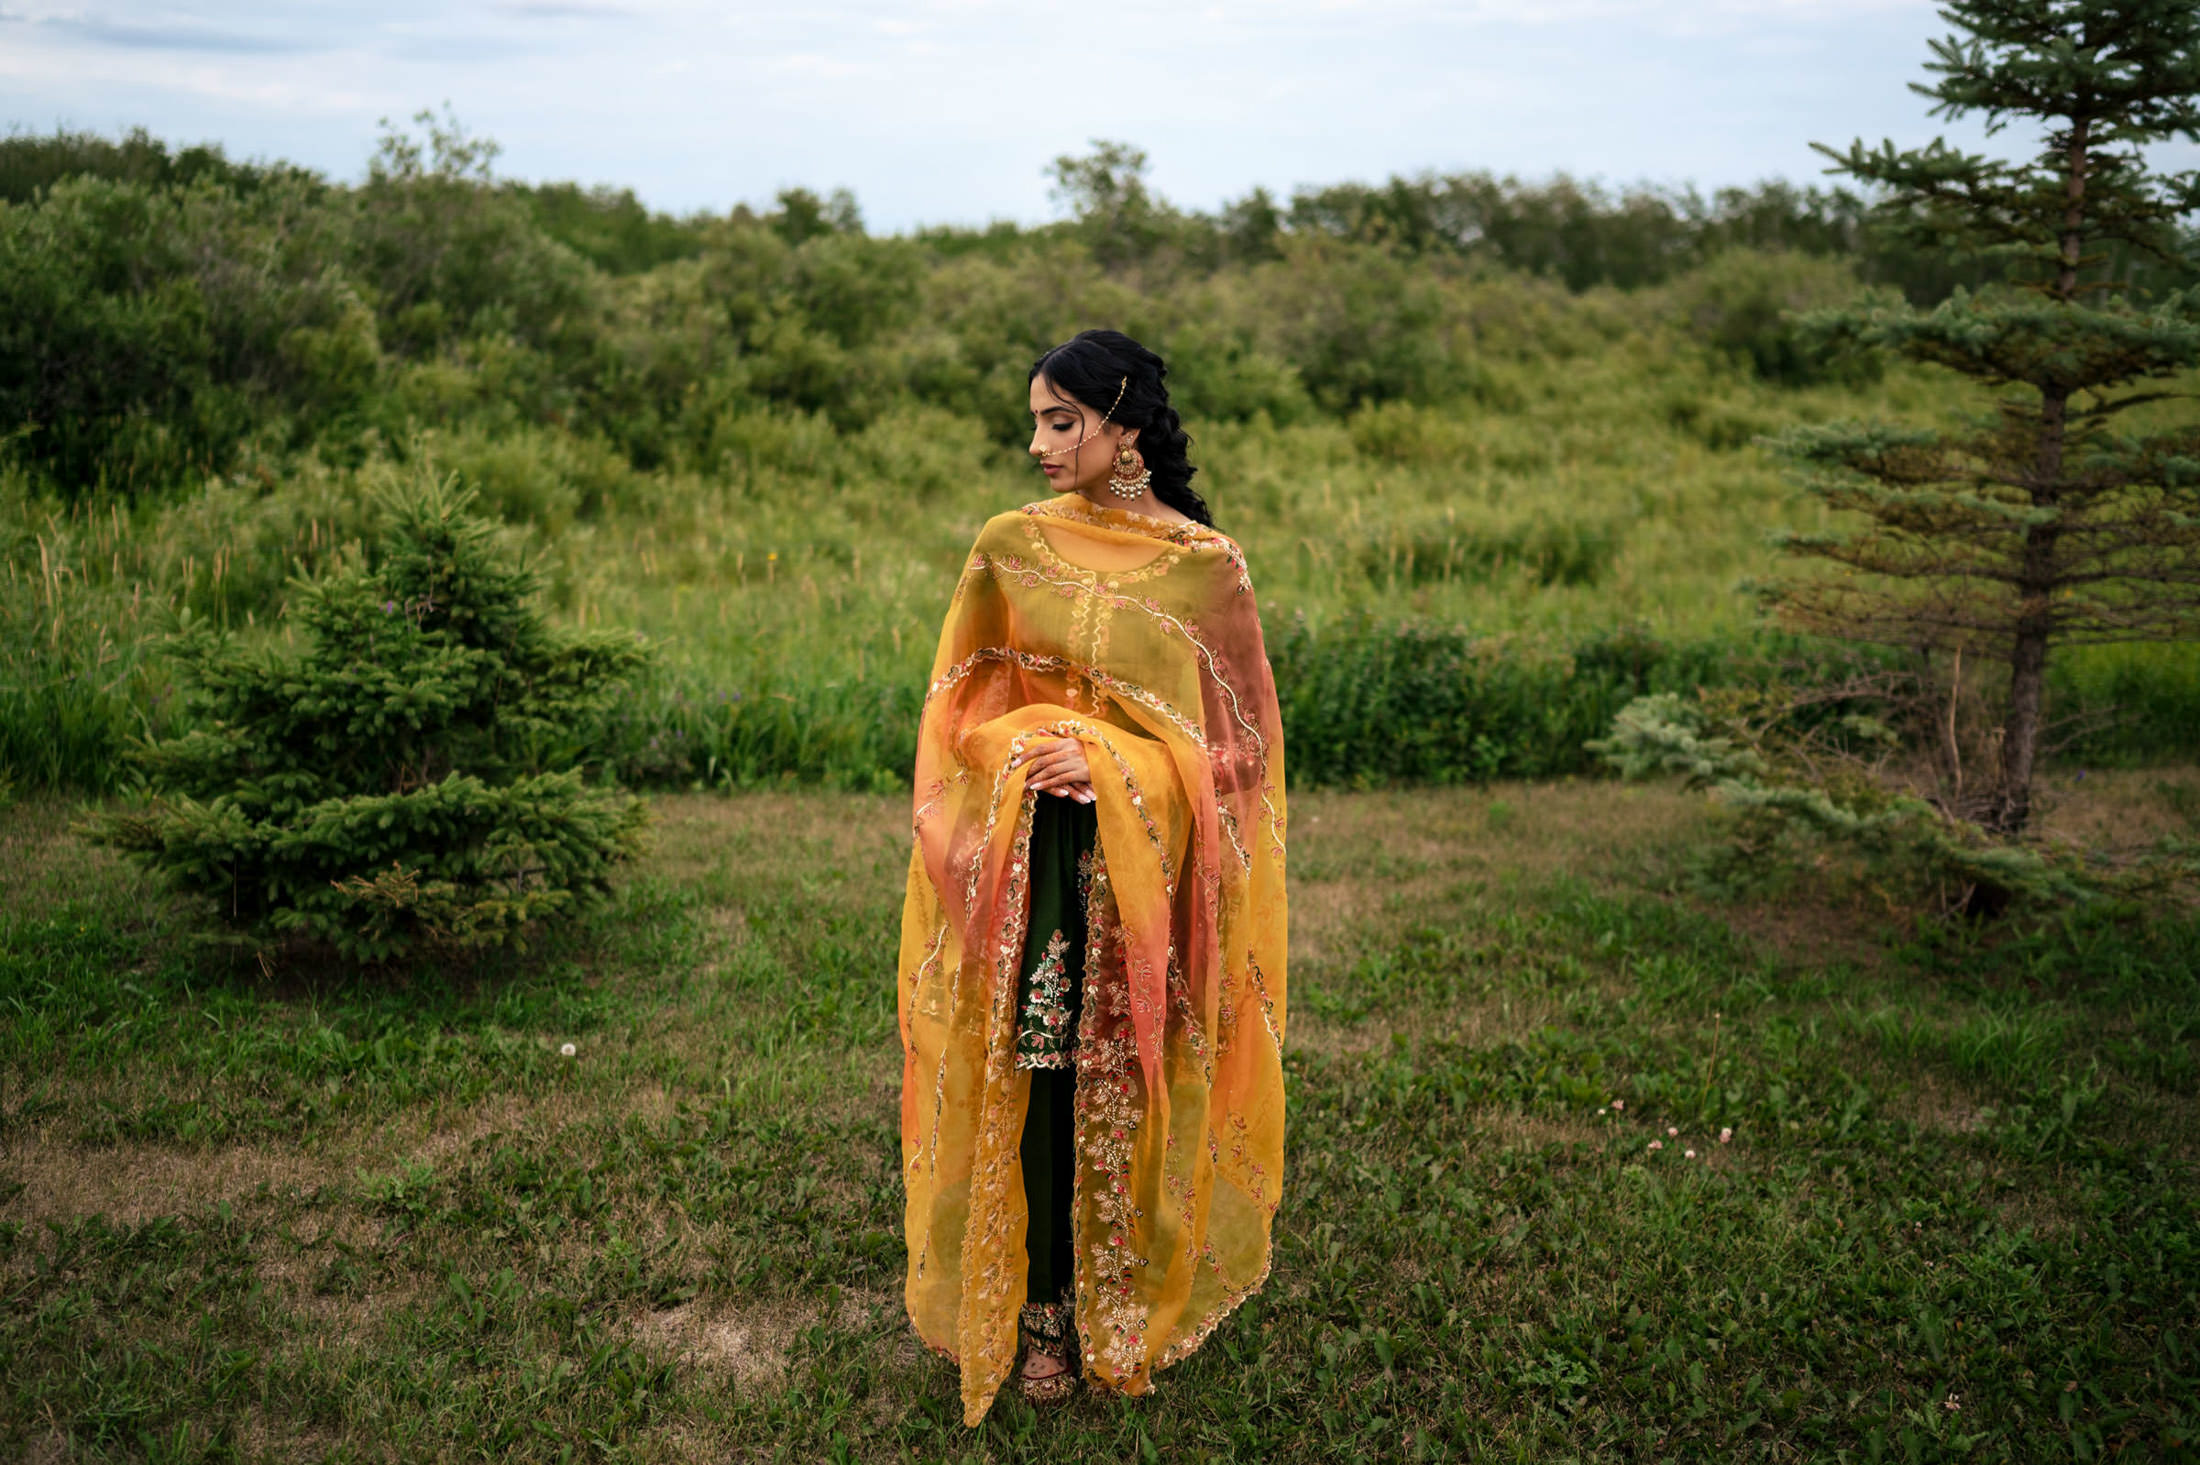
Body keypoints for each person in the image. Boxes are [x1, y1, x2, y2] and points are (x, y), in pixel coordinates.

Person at [897, 329, 1290, 1423]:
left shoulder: (1206, 568)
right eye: (1033, 420)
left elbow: (1243, 756)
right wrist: (1034, 744)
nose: (1037, 444)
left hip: (1146, 866)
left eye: (1060, 421)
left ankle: (1120, 1280)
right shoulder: (1009, 547)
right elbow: (959, 707)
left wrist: (1121, 761)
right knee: (1037, 1065)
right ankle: (1037, 1309)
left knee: (1127, 1066)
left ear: (1125, 426)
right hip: (1033, 851)